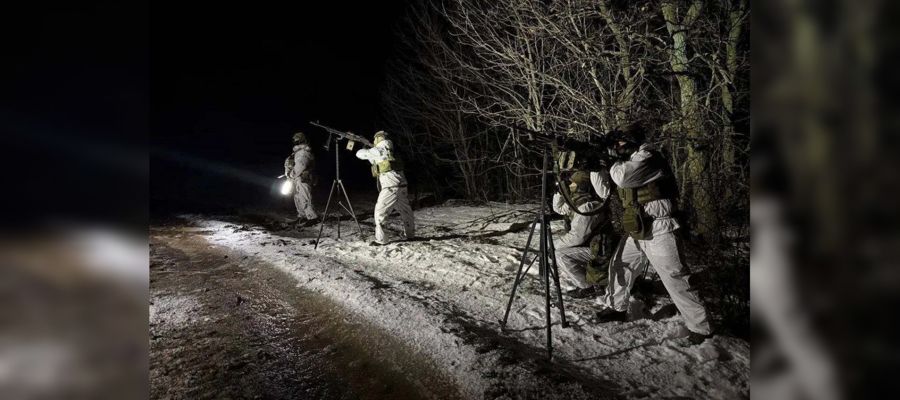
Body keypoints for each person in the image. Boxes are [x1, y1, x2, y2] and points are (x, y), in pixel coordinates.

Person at [593, 123, 713, 345]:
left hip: (660, 228)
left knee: (676, 277)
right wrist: (597, 164)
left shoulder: (648, 156)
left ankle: (701, 328)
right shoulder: (630, 160)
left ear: (631, 141)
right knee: (621, 265)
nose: (617, 147)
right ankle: (616, 307)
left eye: (620, 143)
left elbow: (622, 178)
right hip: (639, 227)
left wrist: (610, 160)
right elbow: (605, 190)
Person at [551, 170, 612, 298]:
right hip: (597, 246)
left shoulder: (587, 206)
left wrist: (553, 245)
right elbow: (559, 209)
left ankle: (587, 287)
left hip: (601, 250)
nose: (570, 186)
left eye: (572, 183)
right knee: (562, 249)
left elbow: (576, 238)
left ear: (581, 186)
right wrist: (559, 191)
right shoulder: (579, 202)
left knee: (560, 255)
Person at [355, 131, 415, 245]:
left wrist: (365, 146)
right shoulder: (391, 150)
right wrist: (369, 148)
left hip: (390, 187)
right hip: (401, 185)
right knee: (406, 211)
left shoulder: (380, 149)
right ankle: (411, 235)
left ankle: (381, 240)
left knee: (380, 212)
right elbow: (374, 160)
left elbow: (359, 154)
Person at [284, 132, 317, 224]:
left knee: (305, 197)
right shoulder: (297, 152)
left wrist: (291, 174)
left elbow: (300, 166)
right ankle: (302, 216)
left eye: (297, 138)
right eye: (295, 138)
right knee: (298, 197)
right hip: (297, 178)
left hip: (303, 178)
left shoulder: (304, 152)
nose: (295, 140)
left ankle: (312, 217)